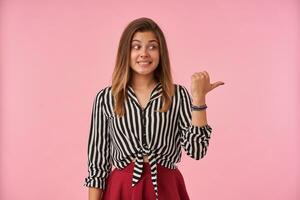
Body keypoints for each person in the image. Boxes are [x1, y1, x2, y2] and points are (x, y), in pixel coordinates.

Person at [84, 17, 224, 200]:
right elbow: (97, 163)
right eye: (136, 46)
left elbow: (197, 151)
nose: (144, 53)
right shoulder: (105, 99)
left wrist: (198, 99)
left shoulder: (178, 95)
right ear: (125, 52)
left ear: (161, 52)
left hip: (166, 187)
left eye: (152, 46)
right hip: (122, 189)